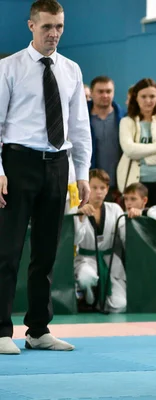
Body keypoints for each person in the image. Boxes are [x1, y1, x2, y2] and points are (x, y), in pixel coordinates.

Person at [0, 0, 92, 355]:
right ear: (31, 26)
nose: (53, 34)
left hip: (58, 164)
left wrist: (81, 173)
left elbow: (79, 127)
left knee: (47, 252)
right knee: (7, 251)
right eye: (47, 27)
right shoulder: (8, 68)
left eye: (59, 27)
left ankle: (38, 329)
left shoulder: (71, 70)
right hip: (17, 162)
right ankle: (1, 329)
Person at [116, 78, 156, 210]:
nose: (148, 101)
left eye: (152, 96)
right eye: (143, 96)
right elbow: (129, 149)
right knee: (136, 223)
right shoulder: (126, 122)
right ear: (136, 97)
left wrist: (145, 160)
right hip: (135, 184)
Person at [74, 169, 126, 313]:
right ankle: (88, 297)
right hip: (85, 259)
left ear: (107, 189)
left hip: (109, 261)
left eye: (102, 188)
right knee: (86, 278)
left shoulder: (115, 209)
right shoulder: (78, 209)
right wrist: (80, 218)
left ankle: (99, 301)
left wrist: (134, 215)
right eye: (94, 187)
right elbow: (76, 239)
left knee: (120, 306)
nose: (99, 192)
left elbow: (124, 236)